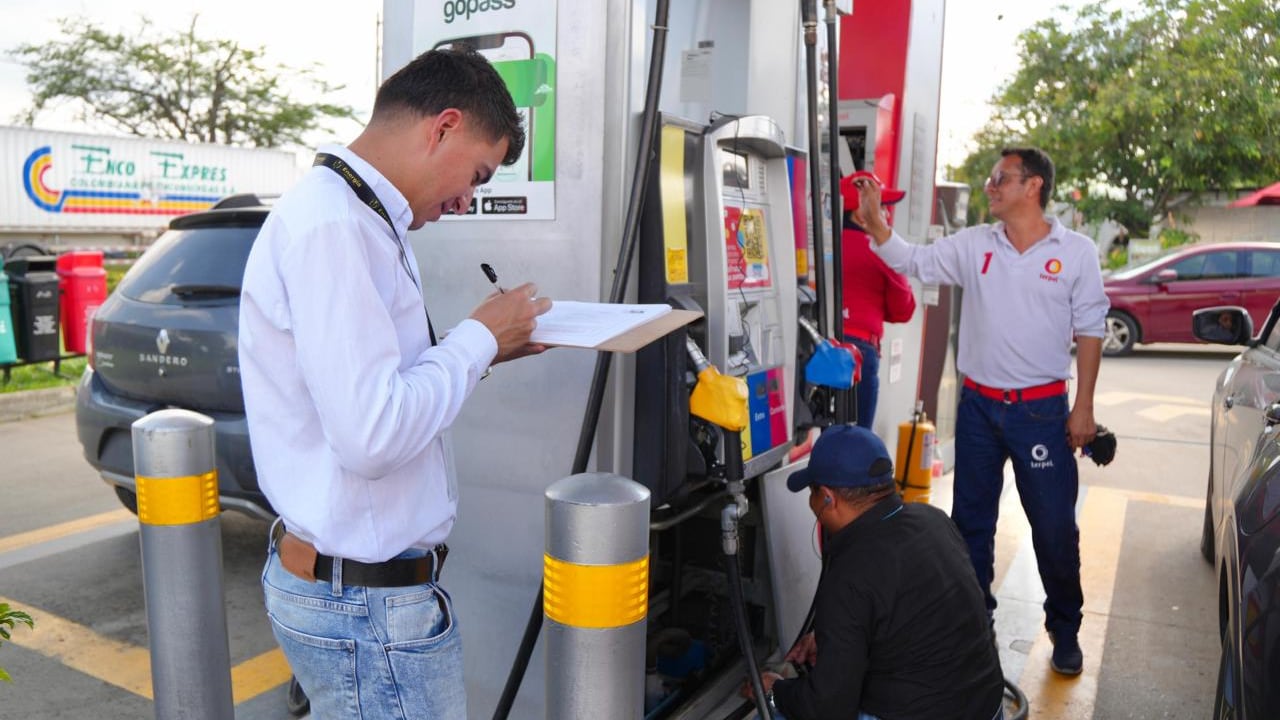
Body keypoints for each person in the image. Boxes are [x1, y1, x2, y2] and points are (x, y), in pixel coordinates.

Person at [238, 47, 552, 719]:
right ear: (442, 126)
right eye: (476, 173)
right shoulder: (336, 227)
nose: (467, 199)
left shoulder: (357, 216)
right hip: (366, 610)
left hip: (360, 600)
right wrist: (476, 340)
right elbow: (373, 436)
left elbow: (374, 388)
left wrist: (486, 351)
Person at [850, 147, 1110, 676]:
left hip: (1040, 411)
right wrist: (877, 225)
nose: (990, 186)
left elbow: (1091, 329)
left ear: (1033, 186)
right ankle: (974, 627)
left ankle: (1064, 628)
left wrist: (1082, 407)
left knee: (1054, 527)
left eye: (1001, 178)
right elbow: (915, 261)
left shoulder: (1076, 251)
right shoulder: (975, 244)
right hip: (978, 410)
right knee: (970, 526)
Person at [748, 424, 1005, 720]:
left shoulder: (849, 576)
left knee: (772, 714)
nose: (812, 504)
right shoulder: (934, 520)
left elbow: (828, 709)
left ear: (828, 499)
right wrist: (835, 638)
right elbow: (909, 613)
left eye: (812, 493)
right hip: (988, 708)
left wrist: (774, 690)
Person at [837, 171, 916, 428]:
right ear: (862, 212)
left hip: (817, 347)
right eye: (882, 207)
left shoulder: (822, 243)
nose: (887, 214)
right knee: (857, 440)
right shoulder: (879, 250)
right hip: (859, 351)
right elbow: (903, 310)